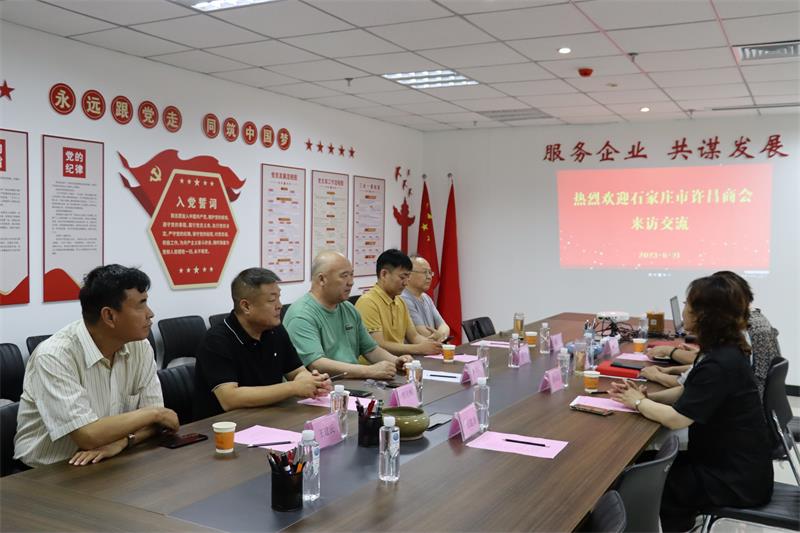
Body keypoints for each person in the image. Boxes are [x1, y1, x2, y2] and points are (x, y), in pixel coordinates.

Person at [610, 275, 773, 532]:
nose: (684, 309)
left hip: (735, 479)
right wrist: (645, 399)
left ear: (705, 316)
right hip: (726, 464)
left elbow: (678, 419)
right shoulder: (723, 351)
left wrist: (639, 402)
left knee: (646, 483)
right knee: (643, 464)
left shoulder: (721, 362)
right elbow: (686, 392)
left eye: (689, 305)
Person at [14, 265, 179, 468]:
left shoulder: (140, 347)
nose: (150, 313)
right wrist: (155, 413)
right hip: (46, 472)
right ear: (109, 316)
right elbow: (87, 435)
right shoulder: (54, 356)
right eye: (141, 305)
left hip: (110, 461)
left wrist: (123, 441)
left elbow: (158, 424)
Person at [193, 268, 332, 420]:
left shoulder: (275, 330)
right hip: (225, 425)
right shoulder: (216, 340)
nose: (279, 305)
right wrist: (293, 387)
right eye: (272, 300)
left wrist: (312, 381)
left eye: (279, 298)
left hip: (269, 416)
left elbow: (297, 372)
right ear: (246, 306)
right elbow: (230, 399)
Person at [644, 271, 780, 399]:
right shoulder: (751, 320)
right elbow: (702, 370)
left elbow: (695, 384)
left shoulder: (741, 330)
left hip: (747, 401)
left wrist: (651, 384)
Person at [284, 251, 413, 379]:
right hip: (325, 387)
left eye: (352, 275)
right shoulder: (302, 315)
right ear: (322, 279)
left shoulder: (348, 308)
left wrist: (395, 361)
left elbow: (371, 349)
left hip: (353, 383)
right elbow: (317, 364)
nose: (351, 282)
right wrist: (368, 371)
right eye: (344, 276)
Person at [355, 249, 442, 356]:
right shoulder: (368, 302)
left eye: (408, 277)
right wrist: (418, 349)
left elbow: (414, 336)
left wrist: (434, 346)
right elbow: (377, 344)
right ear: (384, 274)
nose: (406, 283)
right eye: (402, 277)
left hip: (400, 362)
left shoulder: (400, 301)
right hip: (374, 364)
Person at [400, 255, 450, 342]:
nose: (429, 277)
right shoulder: (403, 298)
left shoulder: (426, 297)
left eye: (430, 272)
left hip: (432, 346)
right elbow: (422, 332)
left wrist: (440, 335)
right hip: (415, 349)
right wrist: (441, 336)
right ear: (409, 274)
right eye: (425, 272)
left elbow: (444, 326)